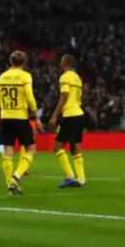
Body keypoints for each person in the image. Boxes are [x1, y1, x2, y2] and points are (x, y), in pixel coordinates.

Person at [0, 51, 43, 195]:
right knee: (31, 148)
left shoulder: (2, 76)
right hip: (20, 116)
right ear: (24, 62)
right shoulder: (25, 76)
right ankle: (16, 177)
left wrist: (4, 111)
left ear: (11, 62)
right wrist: (36, 117)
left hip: (5, 116)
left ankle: (10, 187)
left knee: (8, 150)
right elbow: (29, 97)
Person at [50, 54, 86, 188]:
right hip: (79, 113)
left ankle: (70, 176)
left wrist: (55, 114)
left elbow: (64, 96)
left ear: (64, 62)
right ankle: (81, 178)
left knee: (57, 147)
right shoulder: (78, 78)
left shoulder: (65, 77)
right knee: (75, 147)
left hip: (70, 114)